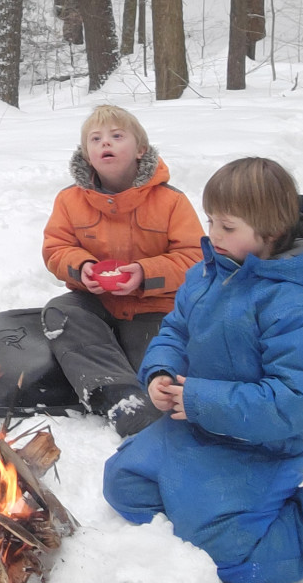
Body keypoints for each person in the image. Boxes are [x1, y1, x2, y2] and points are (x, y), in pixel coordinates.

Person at [104, 157, 303, 583]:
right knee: (124, 483)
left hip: (260, 445)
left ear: (271, 231)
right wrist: (161, 371)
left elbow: (294, 401)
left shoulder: (293, 303)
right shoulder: (207, 274)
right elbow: (176, 331)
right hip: (194, 425)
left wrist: (198, 400)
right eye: (211, 220)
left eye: (227, 226)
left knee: (234, 557)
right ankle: (197, 503)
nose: (213, 234)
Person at [41, 105, 204, 435]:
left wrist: (144, 273)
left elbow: (194, 258)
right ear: (87, 154)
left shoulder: (171, 201)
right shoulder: (69, 200)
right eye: (96, 139)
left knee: (160, 364)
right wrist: (82, 268)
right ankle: (122, 401)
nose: (105, 143)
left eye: (117, 136)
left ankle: (149, 398)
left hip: (155, 308)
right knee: (60, 312)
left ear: (140, 149)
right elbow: (55, 249)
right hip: (97, 303)